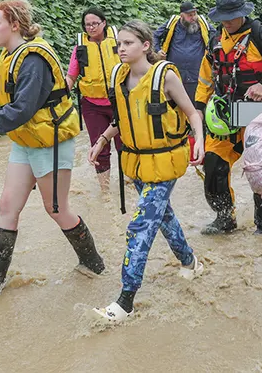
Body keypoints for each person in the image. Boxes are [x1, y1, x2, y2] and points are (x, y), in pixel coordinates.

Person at [0, 0, 105, 296]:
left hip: (50, 140)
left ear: (14, 25)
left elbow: (21, 110)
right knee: (7, 205)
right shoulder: (9, 54)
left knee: (56, 209)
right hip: (26, 139)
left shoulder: (33, 60)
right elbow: (8, 90)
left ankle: (93, 264)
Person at [88, 21, 206, 321]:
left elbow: (192, 113)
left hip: (165, 163)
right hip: (138, 164)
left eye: (128, 43)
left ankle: (125, 302)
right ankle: (190, 262)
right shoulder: (119, 77)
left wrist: (200, 142)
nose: (121, 49)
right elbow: (123, 118)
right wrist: (102, 141)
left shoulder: (165, 77)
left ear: (145, 45)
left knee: (140, 226)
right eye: (119, 44)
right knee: (163, 217)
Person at [194, 0, 262, 235]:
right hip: (225, 113)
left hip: (259, 113)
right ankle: (224, 218)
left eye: (231, 17)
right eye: (223, 18)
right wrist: (198, 107)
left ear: (242, 14)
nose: (227, 22)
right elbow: (205, 78)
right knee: (213, 164)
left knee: (261, 170)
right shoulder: (215, 40)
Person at [66, 7, 122, 193]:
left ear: (104, 23)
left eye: (95, 23)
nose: (91, 27)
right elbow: (71, 76)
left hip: (120, 102)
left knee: (126, 145)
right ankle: (105, 191)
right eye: (87, 24)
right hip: (92, 106)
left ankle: (129, 182)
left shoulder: (118, 41)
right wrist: (59, 95)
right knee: (100, 147)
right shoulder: (80, 48)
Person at [153, 1, 213, 100]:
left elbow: (216, 37)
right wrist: (158, 50)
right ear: (181, 16)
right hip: (174, 74)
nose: (193, 17)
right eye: (190, 15)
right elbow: (155, 36)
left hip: (196, 75)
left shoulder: (203, 25)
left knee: (195, 104)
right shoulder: (172, 24)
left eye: (195, 14)